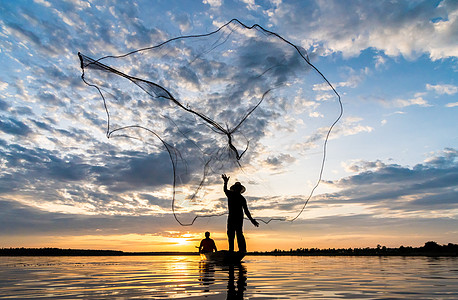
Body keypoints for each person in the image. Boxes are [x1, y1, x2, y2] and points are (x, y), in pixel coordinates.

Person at [222, 174, 259, 253]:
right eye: (236, 188)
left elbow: (246, 211)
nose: (237, 190)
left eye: (238, 188)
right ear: (235, 189)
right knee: (231, 234)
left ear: (239, 189)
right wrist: (225, 182)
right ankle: (231, 250)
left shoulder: (242, 198)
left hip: (238, 218)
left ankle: (242, 250)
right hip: (232, 217)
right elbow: (225, 190)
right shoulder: (231, 195)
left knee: (239, 233)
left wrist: (252, 220)